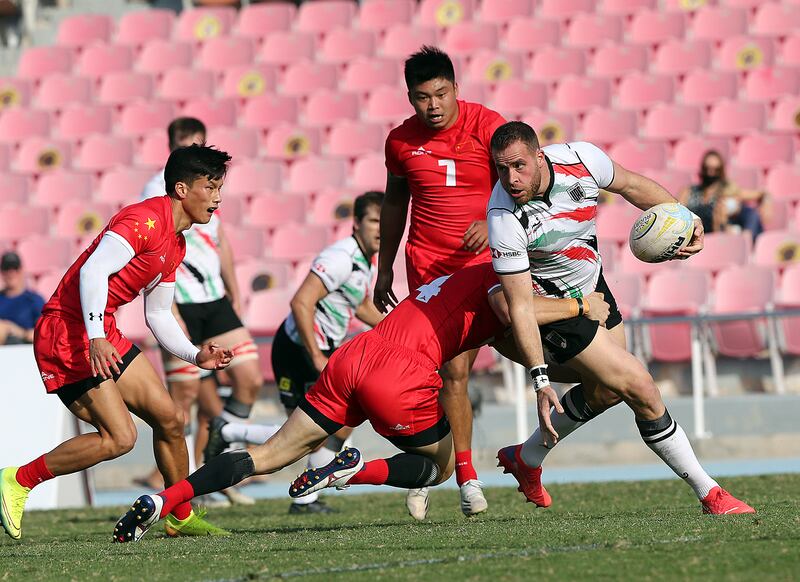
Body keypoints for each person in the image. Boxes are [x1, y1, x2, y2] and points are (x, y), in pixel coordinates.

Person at [113, 262, 611, 541]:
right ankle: (353, 469)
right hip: (401, 373)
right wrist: (578, 306)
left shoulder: (460, 275)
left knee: (266, 457)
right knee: (436, 469)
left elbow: (501, 327)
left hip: (354, 356)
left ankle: (162, 501)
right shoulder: (500, 278)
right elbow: (511, 307)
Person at [486, 121, 754, 515]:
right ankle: (711, 494)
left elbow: (630, 185)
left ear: (539, 157)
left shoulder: (582, 159)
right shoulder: (503, 218)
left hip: (594, 286)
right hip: (556, 308)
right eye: (501, 169)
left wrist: (684, 218)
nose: (511, 178)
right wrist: (540, 381)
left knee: (608, 391)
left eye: (519, 166)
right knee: (640, 386)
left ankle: (525, 459)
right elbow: (521, 306)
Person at [0, 144, 235, 541]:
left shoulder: (176, 242)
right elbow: (92, 271)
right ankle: (18, 480)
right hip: (66, 333)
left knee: (172, 419)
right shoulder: (143, 220)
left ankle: (179, 515)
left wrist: (196, 354)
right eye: (210, 187)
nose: (218, 197)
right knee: (119, 438)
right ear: (181, 188)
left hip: (100, 330)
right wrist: (94, 337)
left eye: (220, 187)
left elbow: (158, 314)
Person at [374, 46, 507, 519]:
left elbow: (526, 184)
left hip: (485, 265)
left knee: (522, 345)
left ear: (456, 88)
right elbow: (394, 205)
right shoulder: (399, 142)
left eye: (441, 94)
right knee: (447, 371)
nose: (432, 105)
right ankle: (462, 475)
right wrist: (384, 265)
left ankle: (516, 456)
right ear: (409, 97)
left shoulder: (489, 126)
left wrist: (493, 223)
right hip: (428, 269)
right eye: (421, 97)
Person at [138, 118, 263, 507]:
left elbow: (220, 242)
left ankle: (218, 462)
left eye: (197, 140)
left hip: (214, 298)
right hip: (180, 299)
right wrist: (164, 304)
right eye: (183, 141)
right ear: (171, 145)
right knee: (183, 396)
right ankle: (187, 487)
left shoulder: (210, 188)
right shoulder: (158, 188)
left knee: (250, 378)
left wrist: (235, 289)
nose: (191, 144)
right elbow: (153, 247)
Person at [257, 190, 384, 514]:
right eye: (373, 220)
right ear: (356, 224)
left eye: (385, 220)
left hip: (320, 348)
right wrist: (315, 356)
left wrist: (394, 330)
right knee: (305, 432)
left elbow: (361, 305)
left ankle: (305, 497)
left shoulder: (366, 260)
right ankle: (231, 432)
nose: (380, 228)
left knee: (339, 424)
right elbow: (301, 301)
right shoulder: (340, 257)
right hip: (298, 350)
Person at [678, 150, 767, 241]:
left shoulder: (728, 191)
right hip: (691, 236)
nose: (710, 173)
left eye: (715, 169)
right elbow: (678, 213)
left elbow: (761, 194)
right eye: (707, 168)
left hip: (715, 237)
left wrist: (766, 204)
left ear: (721, 170)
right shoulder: (689, 191)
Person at [0, 251, 44, 345]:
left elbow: (44, 333)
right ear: (2, 272)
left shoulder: (34, 300)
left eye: (15, 268)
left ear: (21, 270)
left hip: (25, 348)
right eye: (6, 268)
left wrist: (16, 331)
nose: (11, 273)